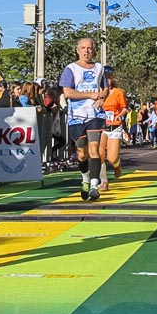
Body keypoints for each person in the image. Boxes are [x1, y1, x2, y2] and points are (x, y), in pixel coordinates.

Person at [59, 37, 108, 201]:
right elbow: (67, 93)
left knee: (95, 149)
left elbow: (105, 88)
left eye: (90, 48)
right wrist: (90, 94)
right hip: (77, 116)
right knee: (82, 153)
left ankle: (95, 185)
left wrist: (101, 97)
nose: (86, 51)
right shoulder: (70, 69)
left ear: (94, 50)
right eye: (83, 48)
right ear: (77, 50)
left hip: (95, 115)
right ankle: (85, 179)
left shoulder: (99, 68)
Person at [98, 67, 128, 191]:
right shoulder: (96, 92)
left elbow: (125, 109)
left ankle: (117, 166)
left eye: (109, 78)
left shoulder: (118, 92)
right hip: (100, 126)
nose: (107, 81)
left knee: (112, 158)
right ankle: (104, 181)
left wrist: (118, 115)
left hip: (115, 126)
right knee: (98, 155)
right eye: (104, 79)